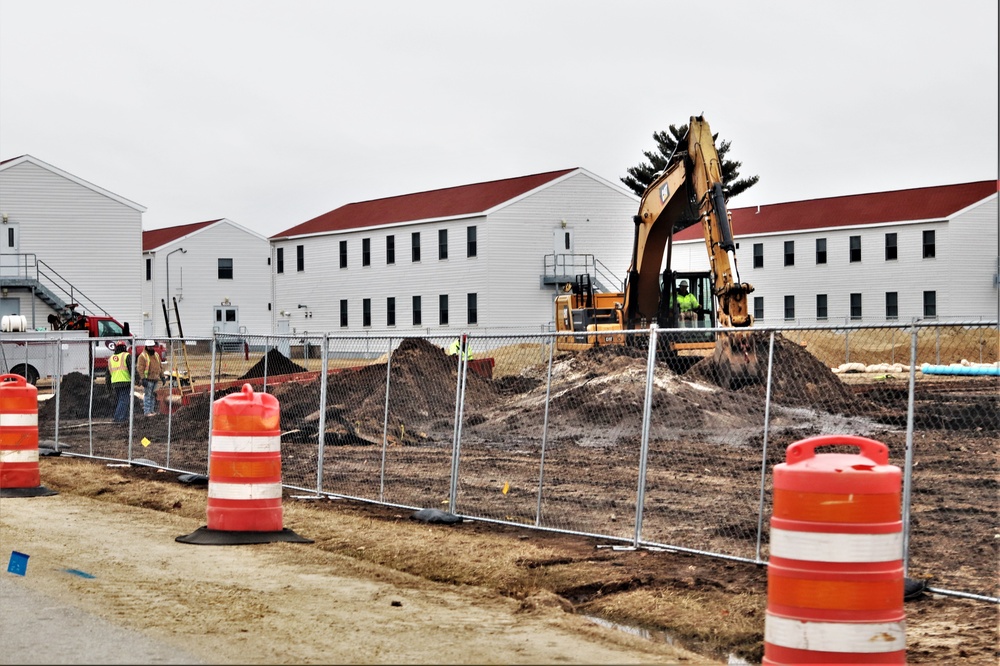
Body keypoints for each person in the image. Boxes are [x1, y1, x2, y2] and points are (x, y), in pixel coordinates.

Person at [135, 341, 162, 416]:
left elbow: (159, 366)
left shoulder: (156, 355)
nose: (151, 348)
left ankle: (152, 411)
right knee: (148, 395)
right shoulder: (142, 356)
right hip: (148, 379)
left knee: (153, 395)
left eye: (152, 346)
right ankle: (147, 412)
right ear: (146, 346)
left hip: (155, 379)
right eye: (149, 346)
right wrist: (143, 379)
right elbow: (140, 369)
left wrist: (162, 376)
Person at [108, 342, 133, 423]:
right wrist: (137, 379)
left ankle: (124, 417)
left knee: (121, 400)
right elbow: (131, 368)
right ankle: (118, 418)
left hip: (115, 382)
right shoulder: (126, 355)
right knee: (123, 400)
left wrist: (108, 386)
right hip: (125, 381)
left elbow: (107, 374)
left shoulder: (111, 358)